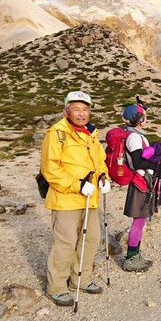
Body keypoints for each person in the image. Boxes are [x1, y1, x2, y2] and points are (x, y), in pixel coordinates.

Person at [41, 91, 110, 307]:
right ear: (66, 111)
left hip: (90, 199)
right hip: (66, 198)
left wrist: (103, 178)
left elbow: (100, 161)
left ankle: (81, 279)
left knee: (91, 239)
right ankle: (57, 288)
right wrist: (78, 185)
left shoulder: (91, 134)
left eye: (85, 109)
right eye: (76, 109)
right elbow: (50, 168)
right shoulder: (56, 133)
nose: (82, 114)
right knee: (65, 243)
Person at [120, 102, 157, 272]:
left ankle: (135, 255)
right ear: (140, 119)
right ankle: (131, 258)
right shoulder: (134, 137)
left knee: (140, 221)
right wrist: (156, 164)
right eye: (145, 116)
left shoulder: (135, 134)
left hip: (141, 182)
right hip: (140, 183)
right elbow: (137, 162)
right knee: (139, 221)